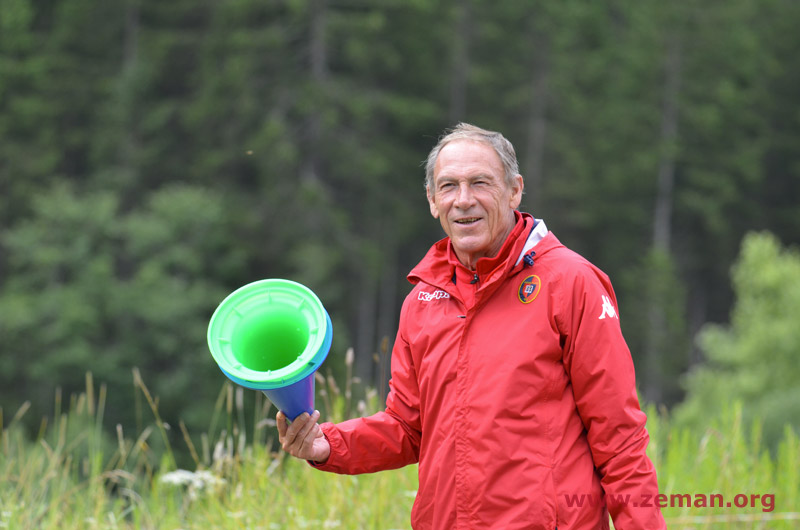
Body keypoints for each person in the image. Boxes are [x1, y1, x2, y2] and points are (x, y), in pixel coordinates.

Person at [277, 123, 666, 529]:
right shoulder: (421, 301)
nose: (463, 201)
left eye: (480, 183)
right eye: (448, 186)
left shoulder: (571, 282)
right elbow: (408, 429)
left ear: (515, 190)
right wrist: (327, 445)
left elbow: (619, 439)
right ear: (432, 200)